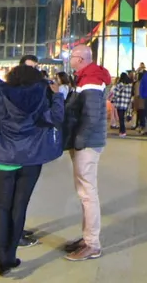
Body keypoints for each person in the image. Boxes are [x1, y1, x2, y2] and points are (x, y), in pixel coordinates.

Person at [0, 59, 65, 276]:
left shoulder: (0, 94)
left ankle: (1, 259)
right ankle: (11, 255)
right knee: (19, 206)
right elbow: (57, 118)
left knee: (1, 208)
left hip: (2, 158)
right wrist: (58, 95)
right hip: (31, 158)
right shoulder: (42, 95)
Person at [62, 44, 109, 262]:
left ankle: (92, 244)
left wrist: (79, 141)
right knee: (85, 192)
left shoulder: (90, 80)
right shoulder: (86, 77)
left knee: (87, 193)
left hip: (87, 143)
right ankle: (87, 238)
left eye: (71, 56)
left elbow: (90, 115)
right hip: (85, 141)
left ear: (80, 59)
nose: (69, 59)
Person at [111, 73, 133, 137]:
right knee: (123, 117)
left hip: (120, 103)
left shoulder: (119, 85)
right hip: (127, 103)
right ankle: (122, 131)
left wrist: (113, 100)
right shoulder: (130, 85)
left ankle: (122, 131)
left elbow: (116, 94)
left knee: (121, 118)